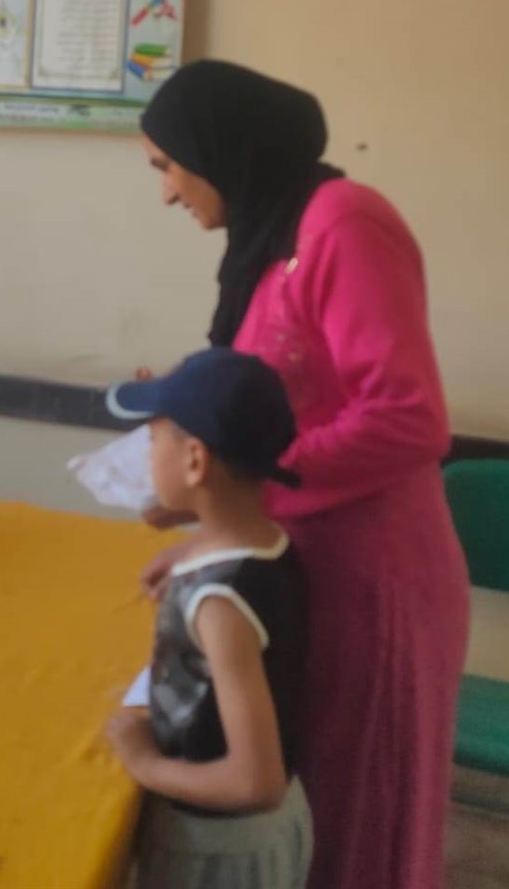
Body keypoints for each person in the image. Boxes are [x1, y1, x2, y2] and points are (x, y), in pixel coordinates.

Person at [134, 60, 470, 889]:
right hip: (297, 562)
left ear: (220, 147)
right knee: (309, 806)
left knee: (362, 818)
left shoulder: (343, 224)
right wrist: (214, 535)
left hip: (374, 579)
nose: (167, 194)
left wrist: (240, 485)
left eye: (168, 166)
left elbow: (408, 417)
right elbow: (267, 406)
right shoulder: (267, 237)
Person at [104, 348, 311, 889]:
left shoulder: (220, 603)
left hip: (219, 852)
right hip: (259, 835)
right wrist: (192, 553)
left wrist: (145, 764)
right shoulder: (267, 542)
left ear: (195, 461)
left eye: (153, 439)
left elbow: (255, 782)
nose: (148, 454)